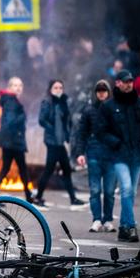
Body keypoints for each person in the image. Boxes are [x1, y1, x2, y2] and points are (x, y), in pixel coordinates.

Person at [98, 70, 140, 242]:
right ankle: (131, 226)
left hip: (137, 155)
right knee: (126, 188)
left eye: (131, 81)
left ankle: (123, 227)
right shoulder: (108, 106)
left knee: (130, 192)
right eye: (126, 81)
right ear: (118, 83)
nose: (129, 83)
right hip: (118, 155)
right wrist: (115, 143)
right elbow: (100, 131)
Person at [33, 80, 85, 208]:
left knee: (64, 170)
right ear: (50, 89)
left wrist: (67, 134)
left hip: (60, 142)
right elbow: (41, 120)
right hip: (52, 142)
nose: (58, 89)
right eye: (55, 87)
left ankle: (72, 199)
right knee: (50, 170)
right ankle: (39, 197)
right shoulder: (47, 102)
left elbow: (67, 121)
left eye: (60, 87)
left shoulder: (63, 103)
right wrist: (51, 129)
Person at [74, 80, 118, 233]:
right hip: (93, 154)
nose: (101, 93)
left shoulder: (114, 109)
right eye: (98, 90)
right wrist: (80, 153)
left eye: (104, 90)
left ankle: (108, 220)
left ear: (108, 92)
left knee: (109, 191)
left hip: (111, 155)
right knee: (94, 190)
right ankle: (97, 219)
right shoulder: (89, 110)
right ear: (95, 92)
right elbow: (82, 133)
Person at [0, 77, 33, 202]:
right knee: (21, 169)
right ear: (9, 87)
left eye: (20, 85)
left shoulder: (11, 100)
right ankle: (29, 196)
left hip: (11, 141)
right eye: (15, 85)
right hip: (13, 141)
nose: (18, 88)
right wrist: (21, 117)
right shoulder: (11, 101)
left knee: (7, 168)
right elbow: (10, 122)